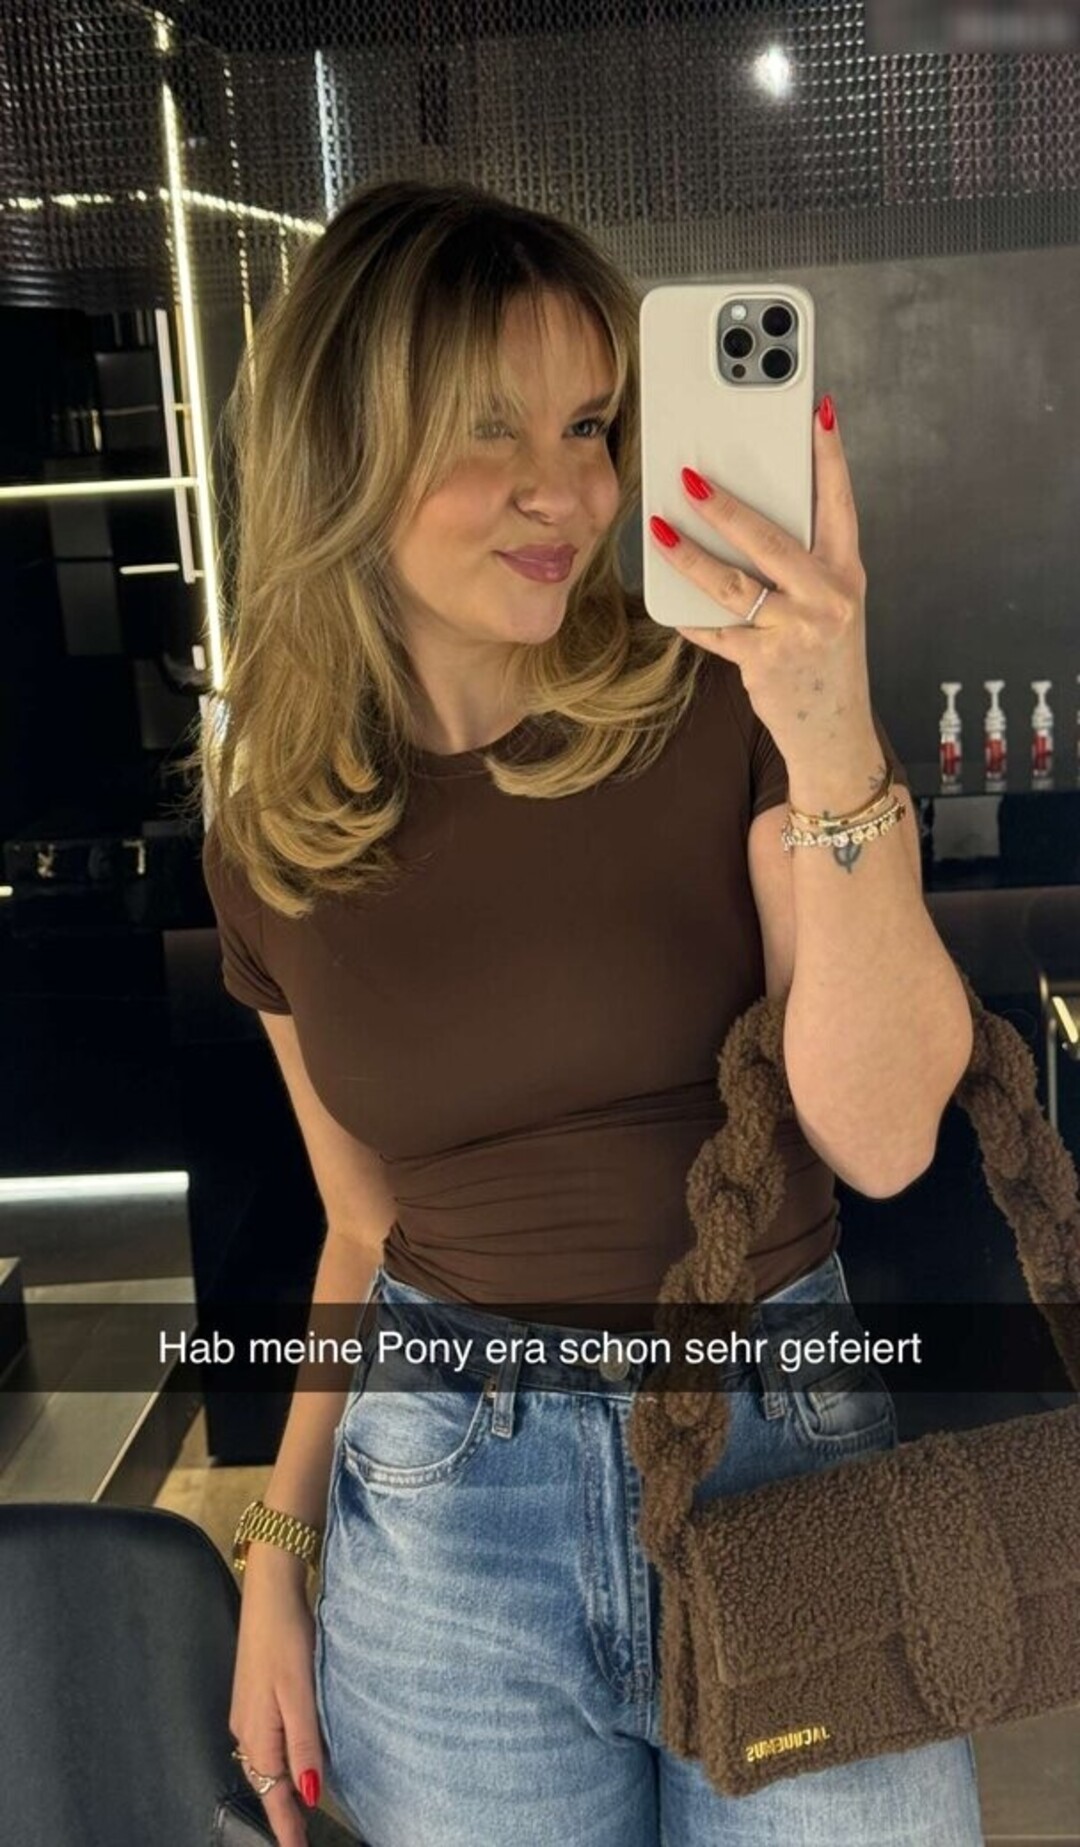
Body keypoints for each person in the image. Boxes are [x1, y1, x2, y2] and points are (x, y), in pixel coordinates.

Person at [188, 178, 982, 1847]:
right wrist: (277, 1550)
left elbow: (883, 1137)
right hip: (448, 1516)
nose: (568, 490)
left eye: (591, 424)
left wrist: (833, 731)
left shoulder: (729, 706)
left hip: (778, 1448)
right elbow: (360, 1222)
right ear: (344, 447)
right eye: (491, 429)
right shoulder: (275, 838)